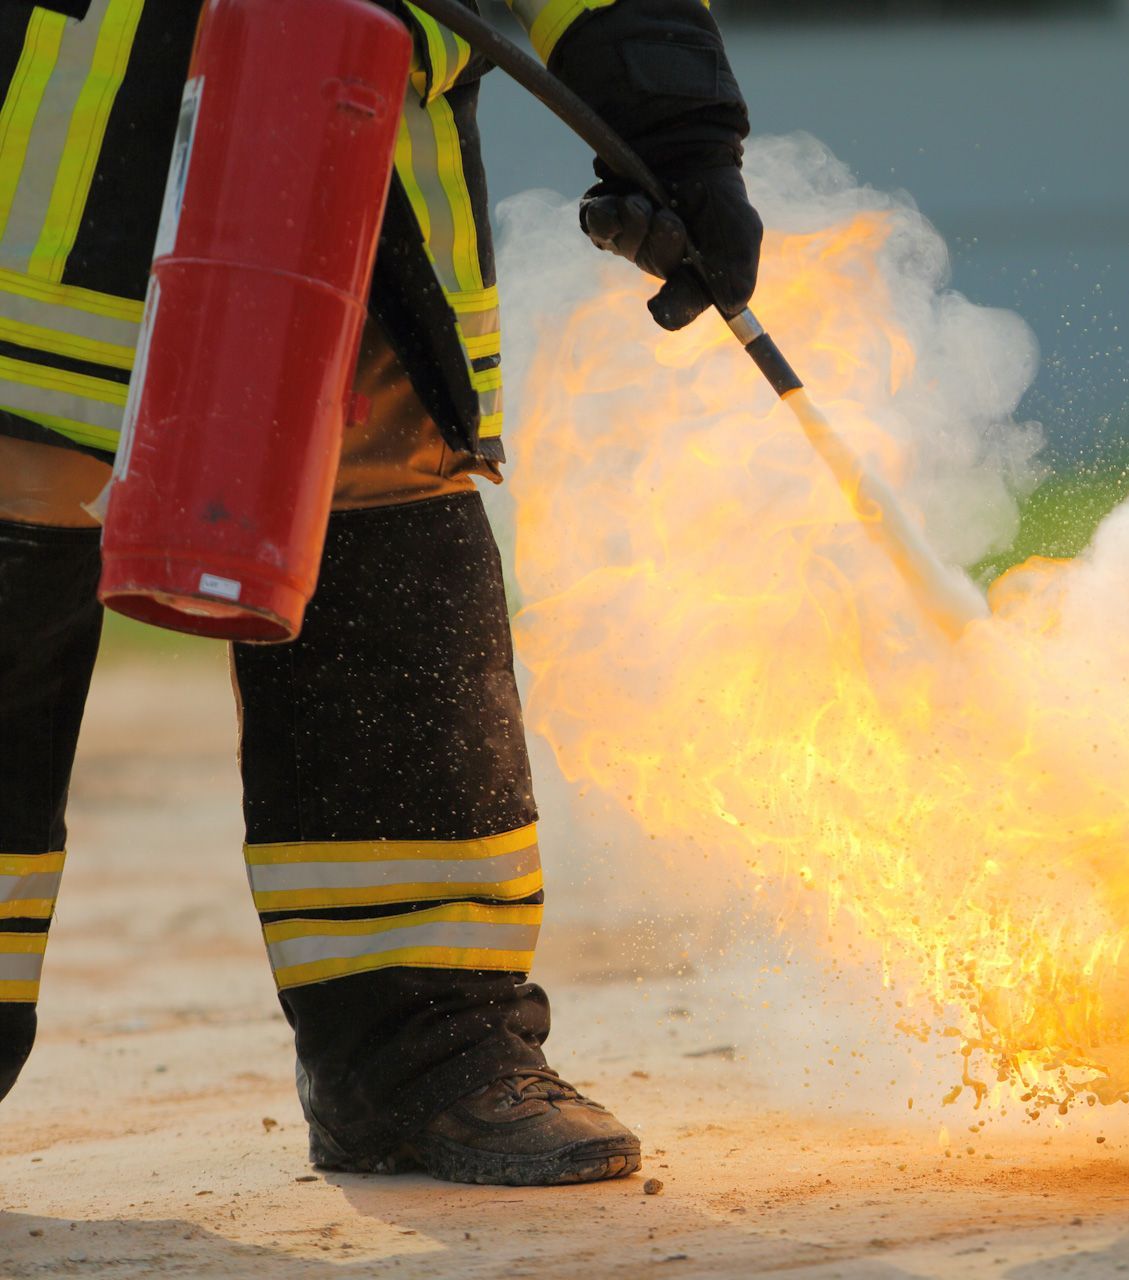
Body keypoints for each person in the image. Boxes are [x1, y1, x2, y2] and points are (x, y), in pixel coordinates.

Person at [0, 0, 761, 1187]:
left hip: (354, 169)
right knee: (15, 510)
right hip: (44, 169)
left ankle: (424, 1056)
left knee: (386, 543)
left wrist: (675, 118)